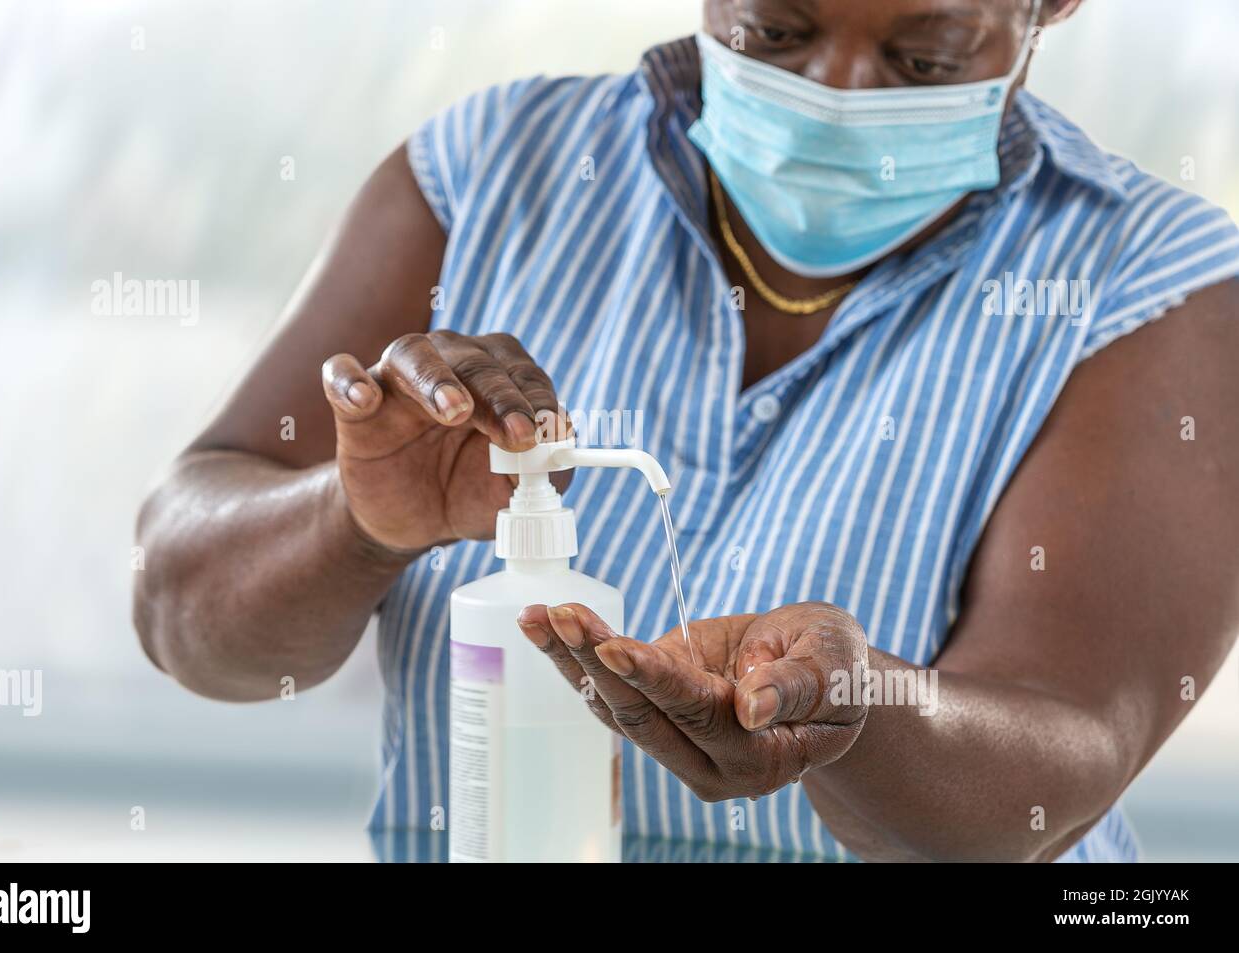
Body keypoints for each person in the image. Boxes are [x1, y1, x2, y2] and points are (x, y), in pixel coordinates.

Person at [133, 0, 1239, 861]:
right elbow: (185, 616)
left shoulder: (1148, 283)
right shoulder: (489, 176)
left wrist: (857, 713)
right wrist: (350, 517)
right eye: (775, 31)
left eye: (925, 58)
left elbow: (1056, 768)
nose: (835, 94)